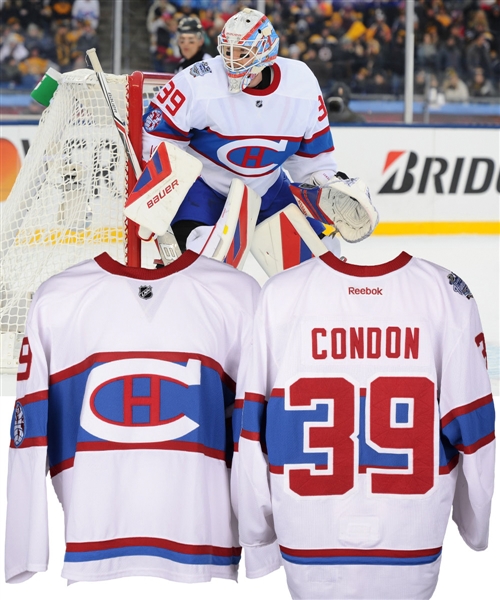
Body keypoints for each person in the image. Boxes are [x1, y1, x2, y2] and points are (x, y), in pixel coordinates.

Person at [142, 7, 342, 253]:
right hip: (207, 187)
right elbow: (157, 137)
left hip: (267, 188)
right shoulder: (197, 80)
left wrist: (331, 188)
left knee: (324, 251)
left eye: (243, 53)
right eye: (227, 51)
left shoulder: (301, 84)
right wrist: (161, 193)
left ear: (266, 53)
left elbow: (313, 163)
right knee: (204, 254)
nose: (232, 61)